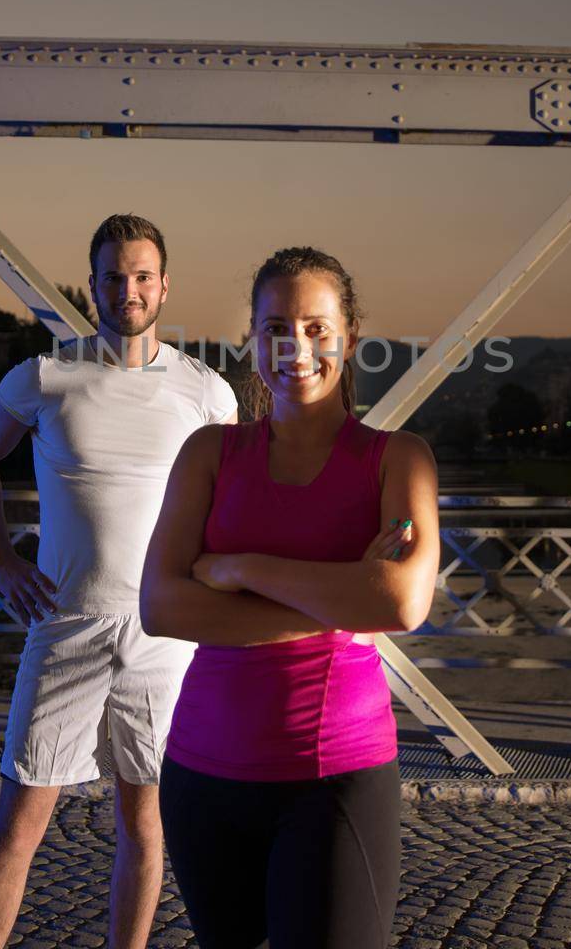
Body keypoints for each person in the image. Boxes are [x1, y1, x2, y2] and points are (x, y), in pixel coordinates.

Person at [140, 246, 440, 949]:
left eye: (315, 327)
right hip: (200, 776)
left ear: (351, 339)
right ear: (252, 337)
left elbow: (399, 604)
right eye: (276, 327)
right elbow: (162, 607)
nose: (294, 347)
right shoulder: (208, 453)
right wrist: (340, 600)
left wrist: (238, 566)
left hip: (334, 777)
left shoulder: (399, 458)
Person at [0, 214, 238, 949]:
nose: (128, 289)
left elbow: (230, 504)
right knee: (19, 823)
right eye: (113, 275)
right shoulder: (45, 376)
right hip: (66, 626)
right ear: (93, 286)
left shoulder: (207, 393)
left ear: (164, 284)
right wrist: (2, 557)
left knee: (146, 824)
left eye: (142, 275)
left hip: (162, 638)